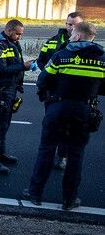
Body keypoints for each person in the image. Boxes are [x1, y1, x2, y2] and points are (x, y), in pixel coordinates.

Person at [23, 22, 105, 210]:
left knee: (46, 150)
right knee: (76, 154)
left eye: (72, 34)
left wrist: (52, 94)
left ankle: (35, 194)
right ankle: (69, 200)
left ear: (77, 37)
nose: (69, 37)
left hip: (58, 107)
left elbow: (43, 80)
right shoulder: (102, 59)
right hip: (85, 110)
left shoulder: (62, 55)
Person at [0, 19, 34, 174]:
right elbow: (0, 70)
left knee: (4, 125)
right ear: (10, 30)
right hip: (1, 92)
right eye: (18, 34)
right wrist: (23, 66)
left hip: (9, 90)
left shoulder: (11, 43)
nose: (19, 37)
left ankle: (0, 154)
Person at [36, 11, 85, 170]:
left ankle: (62, 156)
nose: (71, 27)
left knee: (68, 128)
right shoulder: (52, 42)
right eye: (68, 24)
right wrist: (50, 75)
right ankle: (46, 157)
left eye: (75, 24)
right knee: (50, 126)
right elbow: (41, 60)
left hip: (72, 95)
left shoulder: (86, 46)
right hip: (53, 93)